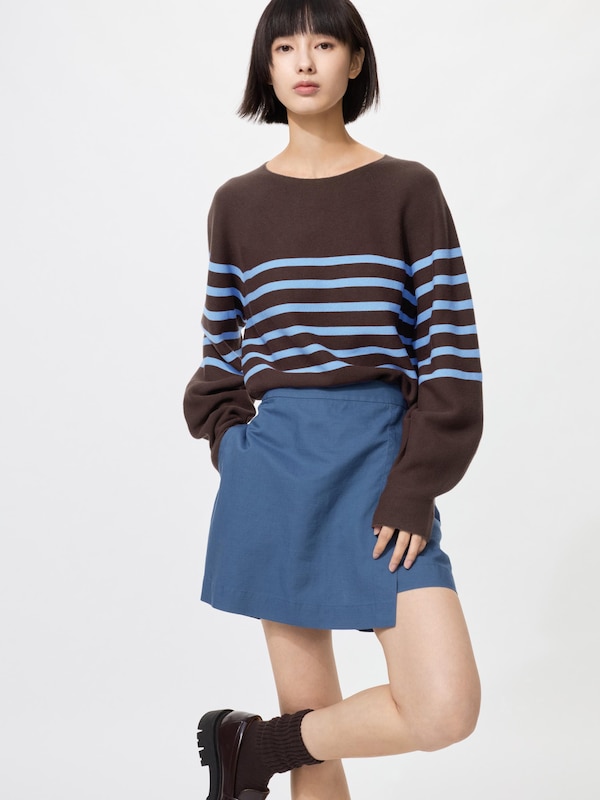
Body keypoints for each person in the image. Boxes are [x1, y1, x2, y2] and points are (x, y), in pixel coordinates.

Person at [183, 1, 483, 798]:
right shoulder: (237, 204)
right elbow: (219, 356)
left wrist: (415, 484)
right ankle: (266, 750)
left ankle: (251, 749)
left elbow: (450, 353)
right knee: (312, 736)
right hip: (275, 470)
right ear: (267, 67)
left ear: (355, 61)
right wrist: (235, 452)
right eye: (285, 47)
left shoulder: (408, 189)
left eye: (323, 43)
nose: (305, 61)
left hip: (382, 465)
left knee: (444, 708)